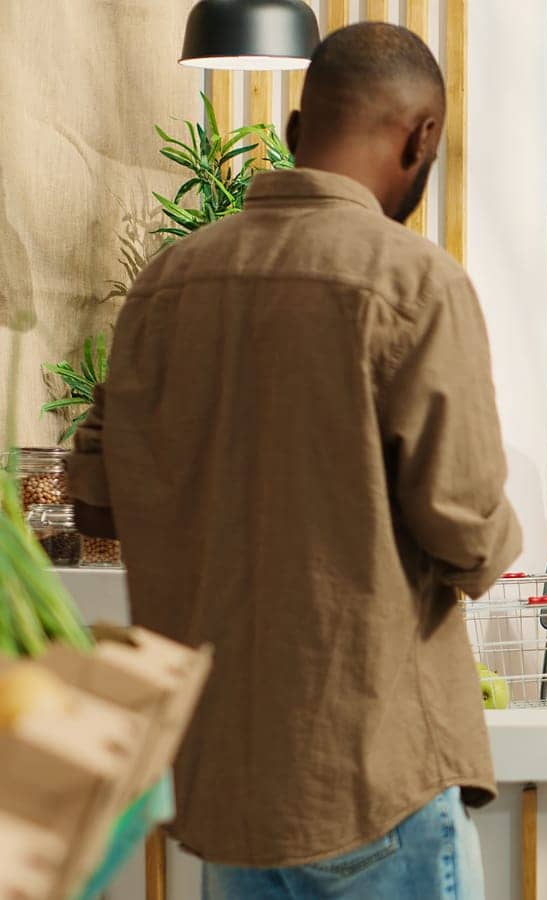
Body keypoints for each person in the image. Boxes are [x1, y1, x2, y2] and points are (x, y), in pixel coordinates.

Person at [67, 23, 519, 899]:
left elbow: (93, 504)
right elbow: (465, 530)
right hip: (371, 769)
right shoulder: (414, 281)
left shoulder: (165, 285)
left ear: (294, 125)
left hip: (227, 785)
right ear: (422, 137)